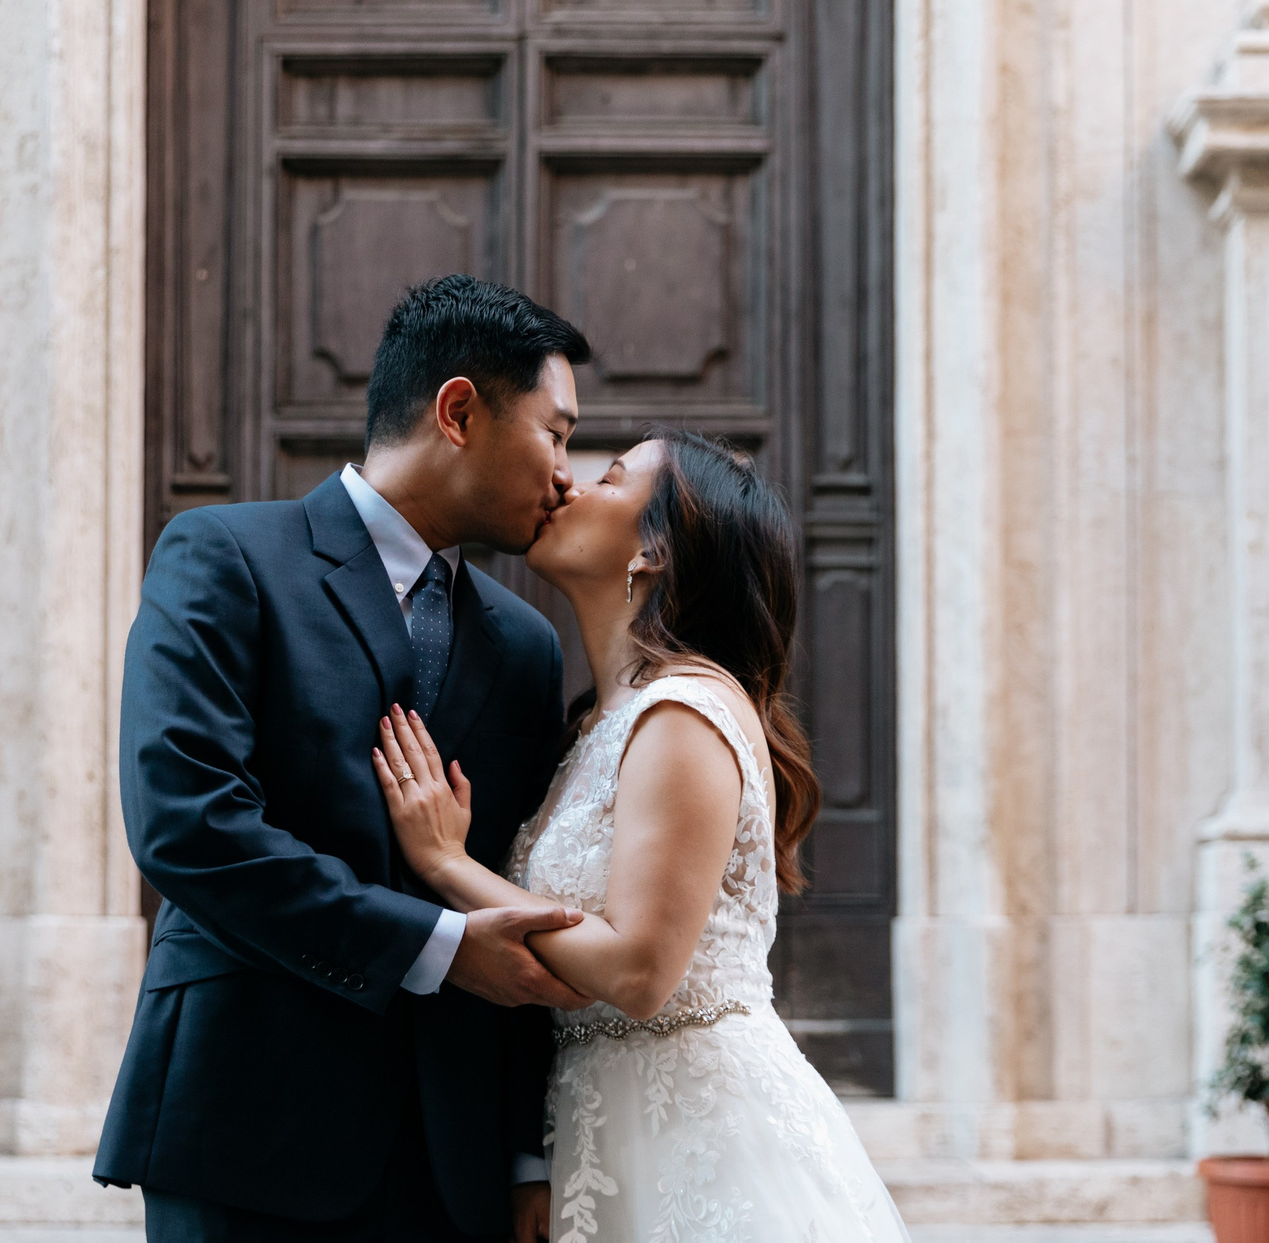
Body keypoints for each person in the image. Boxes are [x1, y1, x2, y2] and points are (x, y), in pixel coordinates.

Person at [96, 274, 595, 1243]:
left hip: (455, 1159)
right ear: (458, 411)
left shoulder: (528, 646)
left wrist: (533, 1153)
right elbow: (187, 826)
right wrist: (437, 948)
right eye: (556, 432)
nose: (567, 474)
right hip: (248, 1125)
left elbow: (527, 887)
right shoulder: (224, 556)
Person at [372, 430, 909, 1243]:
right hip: (604, 1140)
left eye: (610, 476)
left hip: (707, 1147)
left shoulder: (685, 711)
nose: (567, 483)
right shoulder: (599, 725)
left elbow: (637, 969)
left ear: (654, 547)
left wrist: (447, 863)